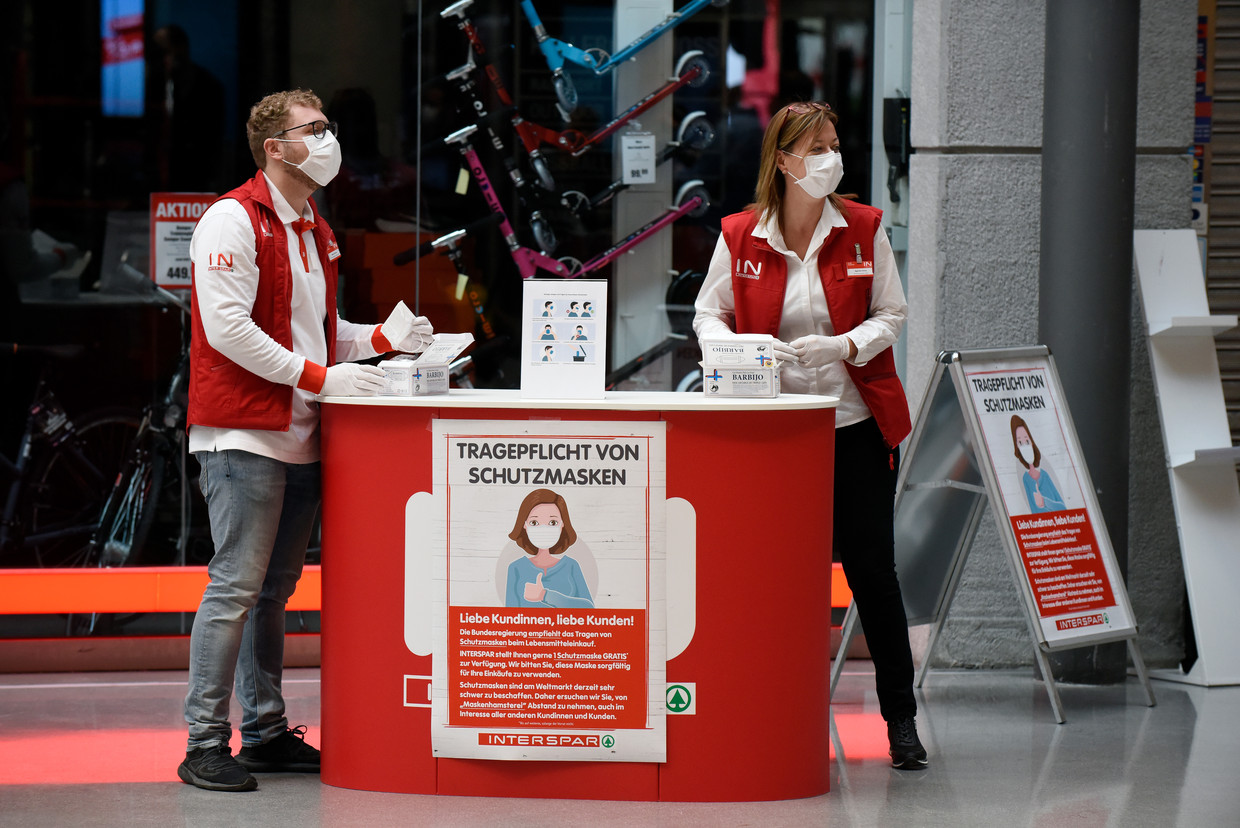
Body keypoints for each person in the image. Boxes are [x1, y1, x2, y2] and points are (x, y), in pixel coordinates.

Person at [179, 89, 434, 792]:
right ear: (274, 149)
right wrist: (323, 377)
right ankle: (204, 741)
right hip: (242, 436)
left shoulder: (313, 228)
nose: (327, 141)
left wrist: (385, 338)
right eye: (313, 130)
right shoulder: (231, 219)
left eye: (328, 128)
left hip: (298, 436)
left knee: (272, 595)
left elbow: (318, 332)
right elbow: (228, 331)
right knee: (234, 590)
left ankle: (263, 732)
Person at [693, 100, 926, 770]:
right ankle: (764, 714)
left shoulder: (862, 228)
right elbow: (709, 315)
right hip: (771, 435)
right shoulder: (741, 236)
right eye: (816, 148)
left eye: (834, 144)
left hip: (852, 426)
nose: (830, 158)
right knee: (768, 576)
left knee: (873, 576)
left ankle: (901, 722)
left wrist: (846, 346)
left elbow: (893, 312)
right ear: (785, 159)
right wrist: (738, 350)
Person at [504, 488, 594, 608]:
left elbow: (590, 610)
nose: (543, 529)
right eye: (534, 523)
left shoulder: (572, 566)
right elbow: (509, 616)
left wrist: (544, 595)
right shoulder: (516, 568)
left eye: (552, 522)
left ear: (563, 524)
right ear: (524, 525)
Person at [1011, 415, 1065, 513]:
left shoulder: (1044, 475)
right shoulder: (1026, 480)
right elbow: (1034, 512)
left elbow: (1063, 507)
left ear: (1032, 442)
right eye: (1020, 442)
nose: (1025, 447)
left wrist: (1045, 502)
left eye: (1027, 441)